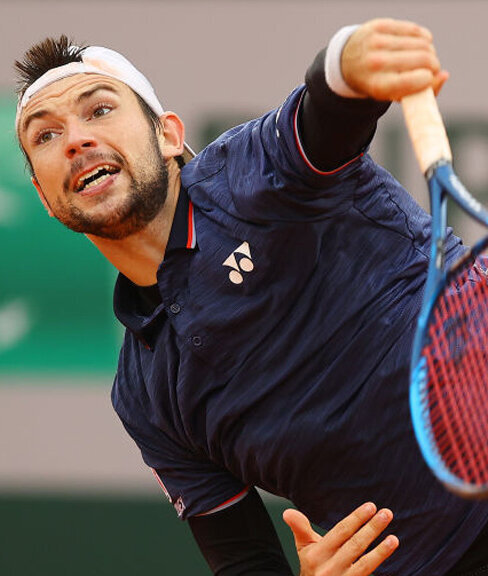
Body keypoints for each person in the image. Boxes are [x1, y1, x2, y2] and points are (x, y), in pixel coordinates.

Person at [13, 17, 488, 576]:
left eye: (99, 110)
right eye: (46, 135)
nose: (76, 140)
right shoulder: (144, 395)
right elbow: (243, 560)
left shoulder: (250, 173)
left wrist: (348, 58)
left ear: (168, 135)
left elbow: (330, 109)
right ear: (45, 198)